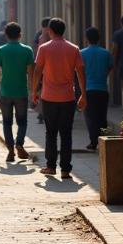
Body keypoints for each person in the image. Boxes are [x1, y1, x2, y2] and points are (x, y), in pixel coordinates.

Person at [31, 17, 86, 180]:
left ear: (50, 31)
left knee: (51, 133)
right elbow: (81, 73)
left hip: (48, 97)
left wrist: (33, 91)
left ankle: (50, 166)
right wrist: (84, 94)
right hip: (68, 97)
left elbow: (37, 71)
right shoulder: (74, 48)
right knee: (66, 133)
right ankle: (66, 170)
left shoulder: (44, 48)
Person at [0, 22, 35, 162]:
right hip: (21, 92)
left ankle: (10, 150)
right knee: (22, 122)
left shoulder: (1, 50)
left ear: (6, 35)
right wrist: (32, 91)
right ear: (20, 34)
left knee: (6, 122)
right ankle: (19, 143)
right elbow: (31, 73)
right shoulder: (27, 50)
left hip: (5, 93)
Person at [81, 26, 114, 150]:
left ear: (87, 39)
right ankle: (103, 141)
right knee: (102, 116)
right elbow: (110, 67)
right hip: (102, 90)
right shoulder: (106, 53)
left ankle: (93, 141)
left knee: (90, 117)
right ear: (99, 39)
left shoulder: (82, 53)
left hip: (88, 90)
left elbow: (79, 71)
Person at [33, 18, 51, 123]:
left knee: (42, 91)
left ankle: (42, 113)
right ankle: (42, 113)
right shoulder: (48, 36)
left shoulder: (40, 36)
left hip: (42, 68)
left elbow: (35, 49)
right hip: (48, 68)